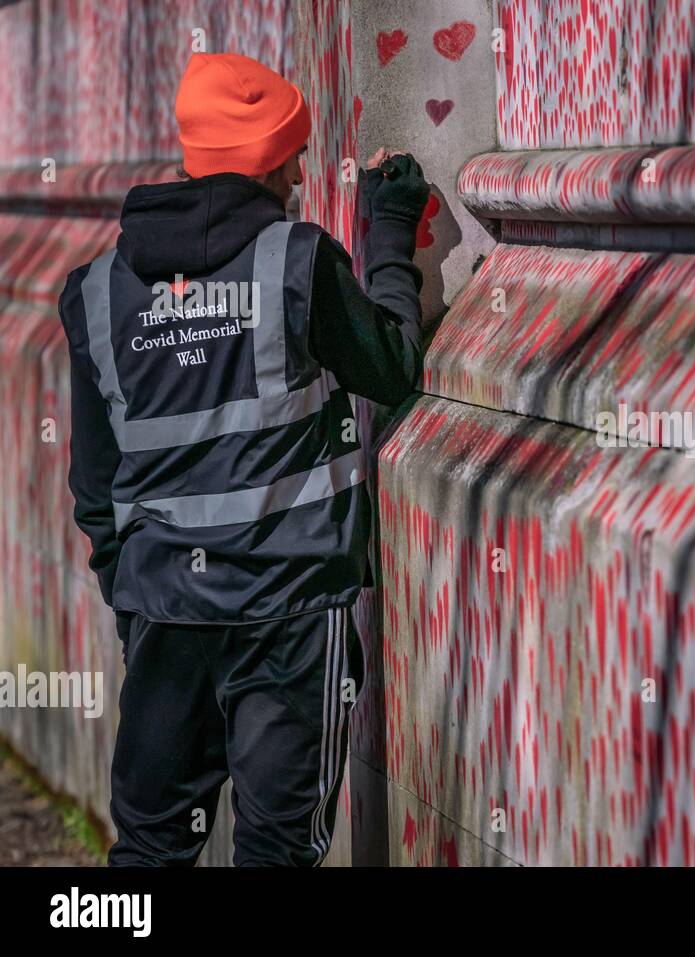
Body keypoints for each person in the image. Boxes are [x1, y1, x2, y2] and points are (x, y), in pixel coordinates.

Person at [56, 51, 430, 866]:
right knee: (275, 850)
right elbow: (394, 368)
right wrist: (391, 234)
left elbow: (94, 487)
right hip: (289, 618)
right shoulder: (296, 263)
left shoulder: (97, 293)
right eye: (296, 154)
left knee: (151, 851)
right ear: (273, 161)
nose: (302, 173)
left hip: (165, 617)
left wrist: (138, 606)